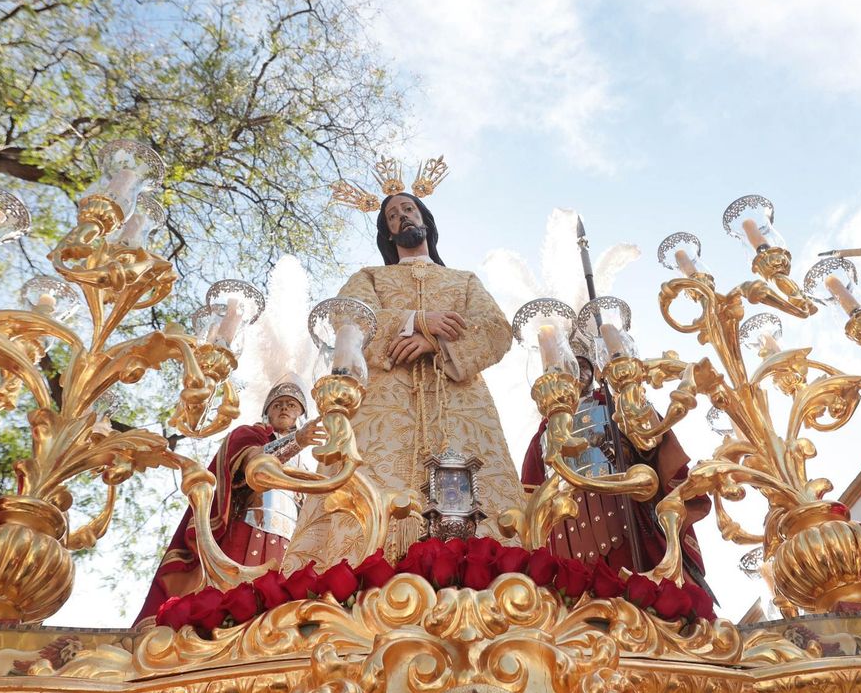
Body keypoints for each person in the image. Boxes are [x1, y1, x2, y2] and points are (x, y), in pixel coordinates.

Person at [284, 188, 524, 567]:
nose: (403, 217)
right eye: (393, 215)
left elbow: (496, 329)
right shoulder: (370, 277)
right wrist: (416, 320)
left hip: (461, 404)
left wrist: (434, 343)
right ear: (388, 232)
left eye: (408, 209)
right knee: (367, 500)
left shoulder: (463, 281)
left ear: (425, 220)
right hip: (385, 407)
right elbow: (349, 318)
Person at [519, 343, 714, 597]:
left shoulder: (616, 405)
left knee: (639, 589)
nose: (576, 377)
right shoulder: (546, 432)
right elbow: (531, 493)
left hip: (618, 505)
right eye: (567, 371)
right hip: (566, 527)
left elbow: (651, 443)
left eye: (581, 368)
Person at [135, 376, 323, 623]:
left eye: (291, 404)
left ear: (300, 412)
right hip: (247, 530)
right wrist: (296, 442)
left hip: (290, 543)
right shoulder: (250, 434)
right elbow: (256, 465)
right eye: (277, 404)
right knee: (234, 606)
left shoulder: (306, 464)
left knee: (279, 615)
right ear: (267, 412)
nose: (284, 408)